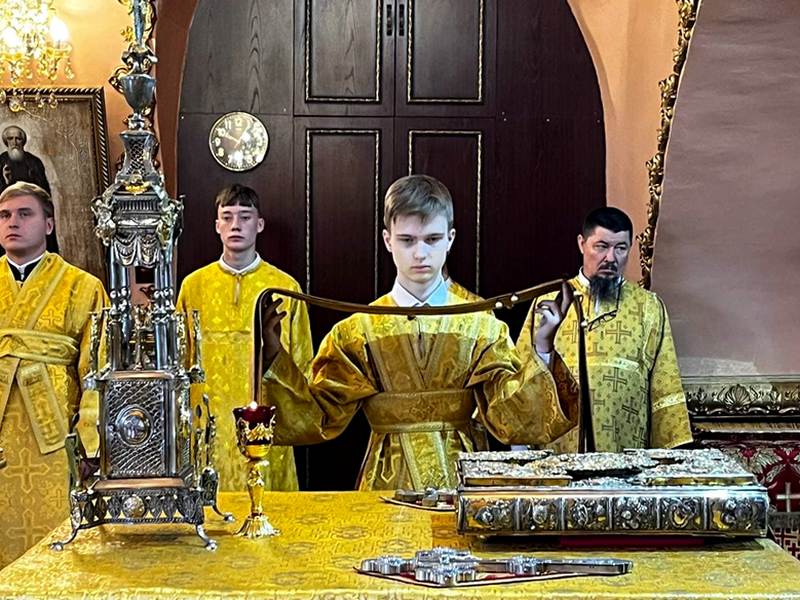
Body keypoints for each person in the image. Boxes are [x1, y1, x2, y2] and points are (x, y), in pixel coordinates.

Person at [259, 174, 579, 491]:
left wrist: (542, 346)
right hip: (385, 488)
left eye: (432, 239)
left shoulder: (481, 326)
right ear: (388, 240)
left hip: (462, 485)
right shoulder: (357, 332)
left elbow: (511, 416)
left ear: (450, 239)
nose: (420, 253)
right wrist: (272, 352)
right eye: (407, 240)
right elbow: (316, 414)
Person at [517, 206, 692, 453]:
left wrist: (665, 461)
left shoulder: (649, 307)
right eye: (601, 246)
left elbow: (664, 385)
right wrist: (520, 451)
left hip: (624, 454)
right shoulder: (548, 303)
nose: (611, 258)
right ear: (582, 244)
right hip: (557, 453)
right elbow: (522, 380)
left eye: (620, 248)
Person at [176, 184, 312, 492]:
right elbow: (180, 361)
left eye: (245, 217)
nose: (236, 225)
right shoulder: (193, 287)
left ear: (259, 224)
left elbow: (303, 363)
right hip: (209, 424)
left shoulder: (284, 287)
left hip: (266, 423)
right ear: (217, 226)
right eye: (227, 217)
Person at [0, 182, 107, 568]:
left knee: (55, 560)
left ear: (48, 224)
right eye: (5, 215)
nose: (12, 222)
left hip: (54, 444)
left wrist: (89, 443)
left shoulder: (83, 287)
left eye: (24, 214)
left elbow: (98, 373)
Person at [0, 126, 51, 195]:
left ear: (23, 141)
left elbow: (44, 191)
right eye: (10, 139)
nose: (14, 143)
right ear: (6, 141)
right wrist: (6, 182)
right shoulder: (1, 161)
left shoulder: (34, 162)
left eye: (18, 139)